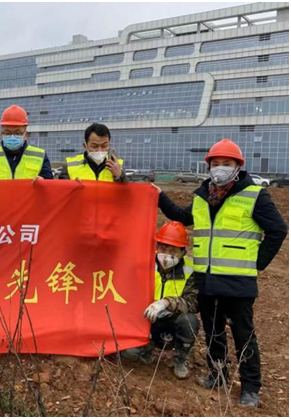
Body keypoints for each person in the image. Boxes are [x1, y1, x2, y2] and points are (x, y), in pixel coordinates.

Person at [155, 138, 287, 407]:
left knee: (243, 335)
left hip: (238, 281)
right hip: (206, 279)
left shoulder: (254, 195)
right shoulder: (202, 196)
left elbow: (278, 230)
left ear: (238, 166)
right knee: (213, 333)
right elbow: (182, 216)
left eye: (226, 163)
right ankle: (218, 376)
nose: (220, 168)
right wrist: (159, 196)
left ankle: (250, 387)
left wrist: (257, 263)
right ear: (209, 166)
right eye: (215, 163)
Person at [121, 221, 199, 379]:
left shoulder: (190, 270)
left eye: (173, 251)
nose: (166, 255)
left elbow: (193, 302)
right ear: (156, 247)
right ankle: (147, 347)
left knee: (189, 321)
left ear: (182, 252)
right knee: (128, 353)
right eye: (163, 248)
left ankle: (180, 360)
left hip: (173, 320)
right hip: (146, 319)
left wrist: (166, 303)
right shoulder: (145, 265)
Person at [0, 105, 53, 182]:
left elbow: (50, 184)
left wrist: (43, 181)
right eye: (8, 133)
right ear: (2, 134)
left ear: (25, 135)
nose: (12, 137)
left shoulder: (40, 155)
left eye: (17, 133)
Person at [59, 123, 126, 182]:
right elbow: (61, 189)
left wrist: (120, 175)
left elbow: (128, 190)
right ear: (85, 146)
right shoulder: (70, 166)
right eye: (94, 146)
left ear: (109, 145)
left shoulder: (118, 165)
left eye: (104, 146)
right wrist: (72, 185)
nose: (99, 150)